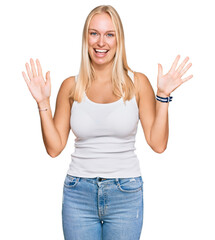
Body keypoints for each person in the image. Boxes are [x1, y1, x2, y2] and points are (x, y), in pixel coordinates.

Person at [22, 4, 193, 240]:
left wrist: (162, 96)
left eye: (109, 34)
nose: (101, 42)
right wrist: (42, 101)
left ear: (118, 40)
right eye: (94, 33)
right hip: (78, 193)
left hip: (125, 193)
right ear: (86, 38)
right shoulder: (70, 86)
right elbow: (54, 148)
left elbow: (158, 144)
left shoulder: (138, 83)